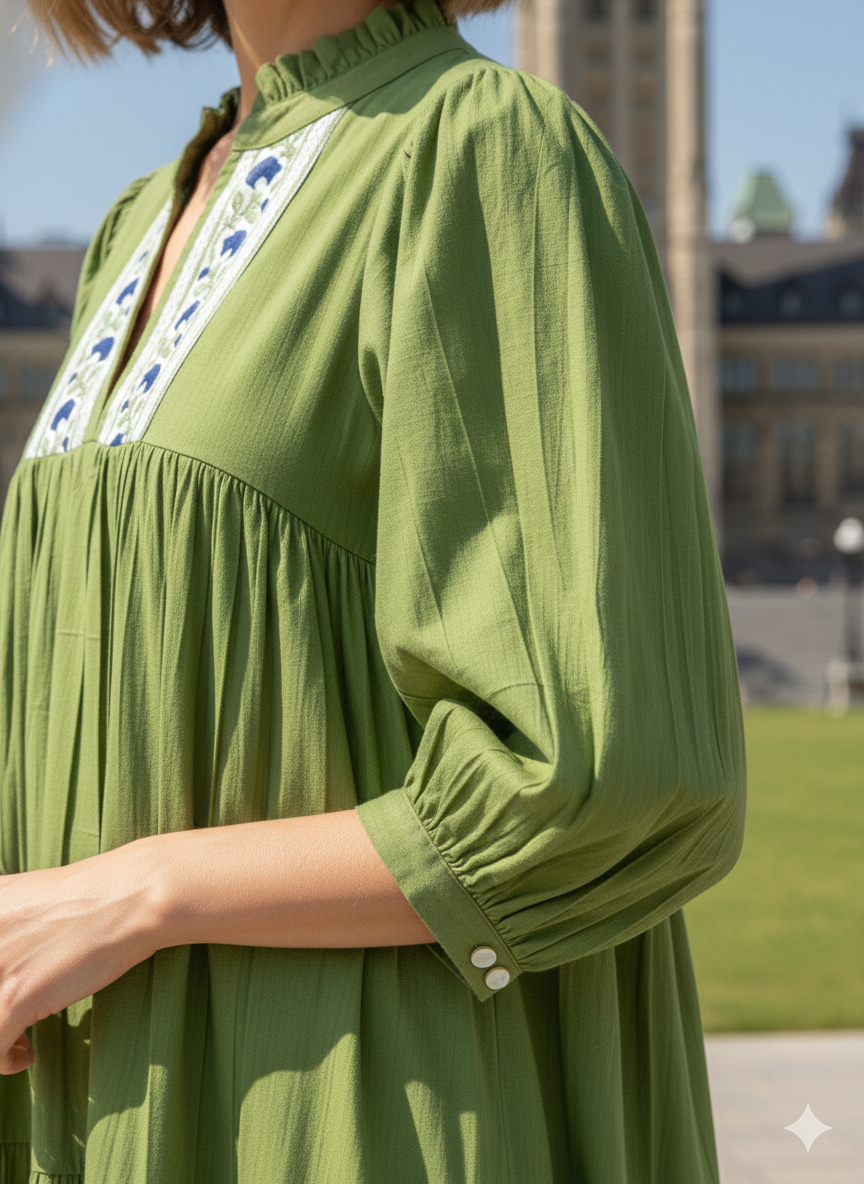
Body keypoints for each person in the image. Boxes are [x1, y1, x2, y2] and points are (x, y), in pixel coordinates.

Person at [0, 0, 747, 1179]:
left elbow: (596, 772)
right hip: (89, 1107)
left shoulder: (482, 148)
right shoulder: (135, 224)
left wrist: (138, 892)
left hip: (351, 1101)